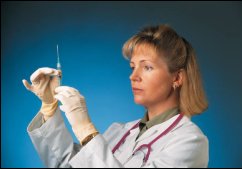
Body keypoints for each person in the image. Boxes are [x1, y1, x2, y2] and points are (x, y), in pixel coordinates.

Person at [23, 24, 209, 168]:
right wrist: (49, 107)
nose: (133, 76)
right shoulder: (120, 131)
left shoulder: (190, 142)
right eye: (132, 67)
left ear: (177, 77)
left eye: (147, 67)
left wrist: (86, 131)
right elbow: (66, 164)